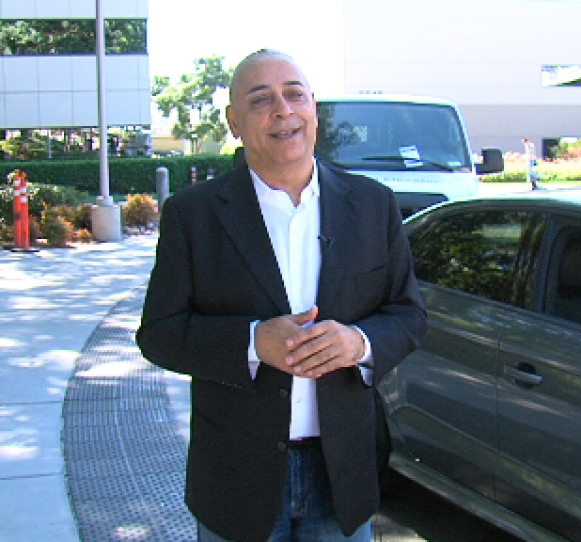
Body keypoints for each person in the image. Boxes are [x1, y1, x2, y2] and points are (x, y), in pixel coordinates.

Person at [136, 49, 428, 542]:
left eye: (294, 94)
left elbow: (408, 315)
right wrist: (253, 343)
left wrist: (359, 342)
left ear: (314, 108)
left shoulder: (373, 204)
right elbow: (159, 335)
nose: (283, 111)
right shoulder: (193, 215)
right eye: (261, 100)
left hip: (342, 476)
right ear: (234, 121)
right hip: (235, 478)